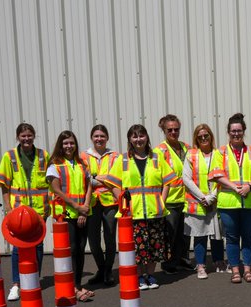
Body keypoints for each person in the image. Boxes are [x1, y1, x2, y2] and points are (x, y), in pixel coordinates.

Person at [102, 124, 177, 290]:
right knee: (138, 247)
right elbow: (112, 183)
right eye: (134, 136)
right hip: (133, 213)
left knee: (154, 245)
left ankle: (151, 275)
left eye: (141, 136)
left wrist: (161, 201)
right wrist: (122, 201)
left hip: (155, 211)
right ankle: (140, 277)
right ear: (130, 139)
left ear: (147, 138)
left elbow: (167, 181)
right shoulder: (123, 160)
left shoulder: (156, 157)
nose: (138, 140)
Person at [0, 122, 49, 300]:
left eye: (29, 135)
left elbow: (51, 183)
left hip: (39, 210)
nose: (26, 139)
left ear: (34, 136)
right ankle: (17, 284)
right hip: (17, 211)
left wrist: (49, 206)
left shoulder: (43, 155)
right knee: (18, 247)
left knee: (38, 245)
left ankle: (33, 279)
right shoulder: (9, 156)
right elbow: (4, 184)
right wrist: (7, 208)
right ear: (18, 137)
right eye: (23, 136)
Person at [212, 114, 251, 283]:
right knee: (233, 238)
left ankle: (248, 270)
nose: (236, 134)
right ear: (228, 132)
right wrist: (235, 187)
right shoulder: (220, 152)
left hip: (250, 202)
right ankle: (236, 270)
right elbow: (216, 174)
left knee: (249, 237)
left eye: (239, 131)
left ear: (244, 131)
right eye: (233, 131)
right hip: (228, 202)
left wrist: (249, 186)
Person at [46, 130, 95, 302]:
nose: (69, 146)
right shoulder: (55, 165)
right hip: (65, 214)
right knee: (72, 250)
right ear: (61, 145)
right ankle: (72, 287)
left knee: (81, 250)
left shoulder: (82, 163)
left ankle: (77, 285)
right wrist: (76, 206)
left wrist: (85, 208)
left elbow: (89, 186)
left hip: (82, 212)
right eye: (65, 143)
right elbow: (56, 189)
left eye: (71, 143)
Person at [181, 124, 225, 279]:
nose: (204, 138)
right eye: (200, 137)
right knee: (199, 234)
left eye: (206, 135)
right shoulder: (191, 154)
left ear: (211, 136)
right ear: (196, 139)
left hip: (216, 200)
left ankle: (219, 261)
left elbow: (223, 175)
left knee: (217, 234)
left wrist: (212, 196)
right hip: (197, 202)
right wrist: (202, 197)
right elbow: (186, 178)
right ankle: (200, 265)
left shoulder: (219, 153)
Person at [82, 124, 119, 289]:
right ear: (92, 137)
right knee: (93, 240)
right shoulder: (83, 156)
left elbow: (117, 178)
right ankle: (102, 269)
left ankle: (108, 271)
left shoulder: (115, 156)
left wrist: (97, 178)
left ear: (107, 138)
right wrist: (104, 178)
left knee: (110, 238)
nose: (99, 139)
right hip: (91, 202)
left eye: (102, 136)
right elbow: (84, 179)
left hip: (110, 202)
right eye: (96, 136)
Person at [156, 114, 192, 273]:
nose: (173, 132)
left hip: (187, 198)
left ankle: (182, 259)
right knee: (170, 233)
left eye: (176, 129)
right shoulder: (159, 151)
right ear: (164, 130)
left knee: (184, 234)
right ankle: (168, 263)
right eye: (169, 129)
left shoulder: (187, 147)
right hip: (170, 199)